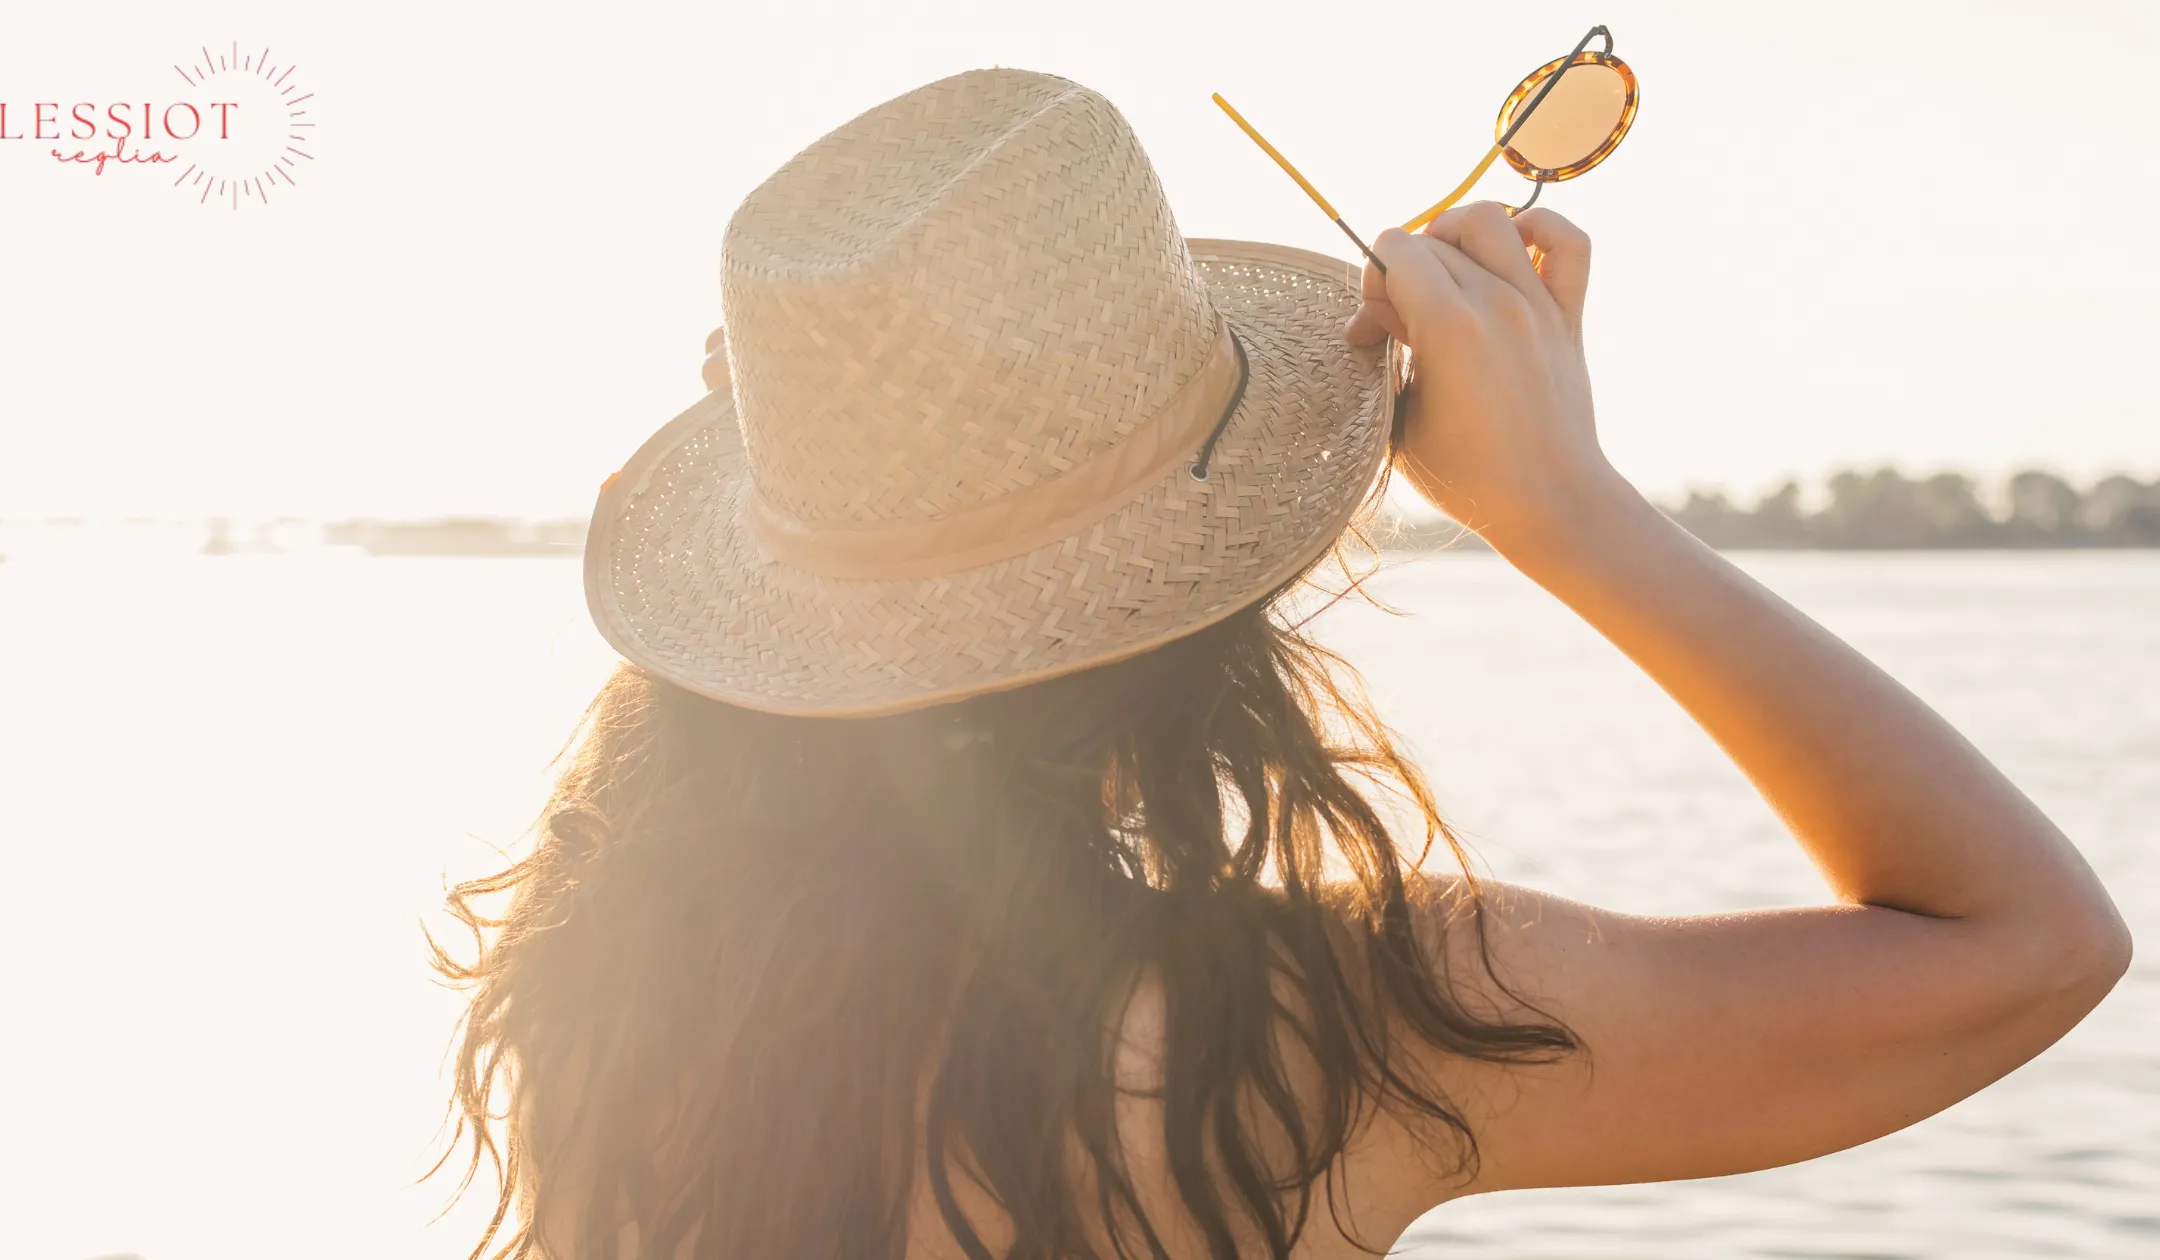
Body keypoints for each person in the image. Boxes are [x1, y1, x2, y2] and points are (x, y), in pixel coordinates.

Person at [432, 69, 2130, 1260]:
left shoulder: (601, 1011)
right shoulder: (1313, 1040)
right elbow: (2027, 947)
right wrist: (1569, 512)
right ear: (1198, 618)